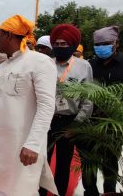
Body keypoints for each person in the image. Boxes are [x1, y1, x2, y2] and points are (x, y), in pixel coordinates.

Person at [0, 14, 58, 196]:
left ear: (8, 36)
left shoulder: (40, 62)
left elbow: (46, 106)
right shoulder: (1, 68)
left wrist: (33, 144)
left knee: (22, 190)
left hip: (23, 145)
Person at [40, 24, 93, 196]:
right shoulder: (45, 64)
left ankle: (59, 193)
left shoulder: (84, 66)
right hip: (46, 119)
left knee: (63, 164)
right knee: (42, 161)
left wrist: (76, 124)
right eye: (57, 44)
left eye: (64, 44)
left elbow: (88, 99)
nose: (60, 47)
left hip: (69, 122)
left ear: (72, 45)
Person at [84, 26, 123, 195]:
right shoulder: (89, 66)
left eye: (106, 43)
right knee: (87, 162)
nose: (101, 47)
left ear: (116, 43)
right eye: (98, 44)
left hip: (114, 125)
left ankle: (110, 192)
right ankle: (90, 192)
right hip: (89, 123)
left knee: (110, 162)